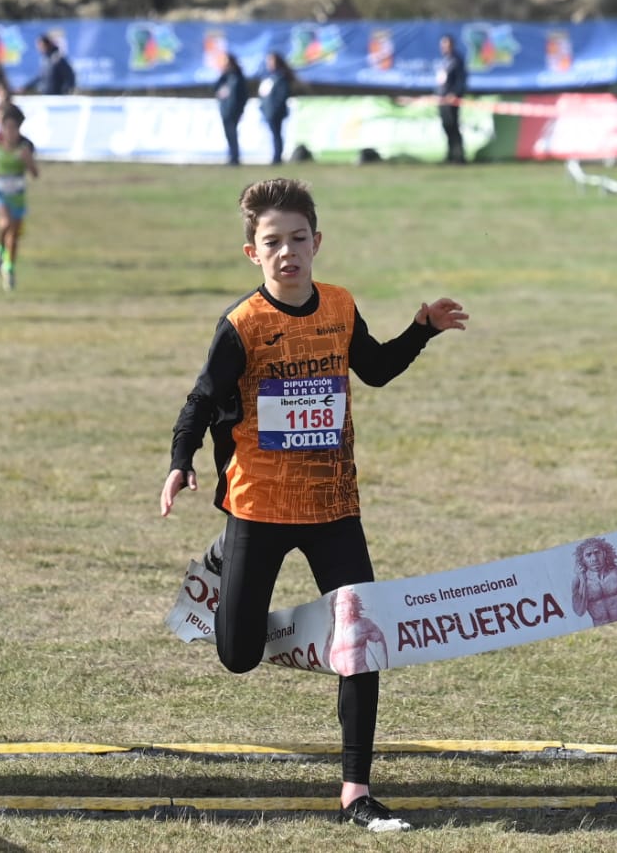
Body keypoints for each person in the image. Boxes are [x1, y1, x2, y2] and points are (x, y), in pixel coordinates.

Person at [159, 178, 468, 833]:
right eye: (272, 243)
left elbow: (376, 370)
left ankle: (355, 791)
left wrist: (421, 329)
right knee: (238, 655)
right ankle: (225, 565)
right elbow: (198, 402)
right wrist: (180, 464)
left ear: (317, 242)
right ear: (253, 253)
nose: (287, 253)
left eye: (298, 239)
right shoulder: (242, 326)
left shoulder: (339, 306)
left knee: (363, 639)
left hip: (333, 506)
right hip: (258, 506)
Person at [0, 102, 39, 291]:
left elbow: (35, 174)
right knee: (5, 222)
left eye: (13, 127)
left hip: (17, 193)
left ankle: (8, 266)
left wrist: (28, 162)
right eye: (5, 127)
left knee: (14, 234)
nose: (9, 131)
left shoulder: (25, 147)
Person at [435, 34, 467, 164]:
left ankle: (459, 156)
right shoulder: (444, 60)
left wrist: (454, 94)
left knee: (454, 127)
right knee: (447, 127)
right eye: (442, 44)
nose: (443, 47)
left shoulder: (456, 59)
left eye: (446, 44)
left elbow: (461, 80)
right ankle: (450, 155)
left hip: (451, 100)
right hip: (442, 99)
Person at [259, 53, 295, 164]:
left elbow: (283, 94)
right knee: (274, 134)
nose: (269, 64)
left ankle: (277, 157)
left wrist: (275, 107)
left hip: (276, 111)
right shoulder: (269, 77)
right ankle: (276, 156)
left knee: (277, 134)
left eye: (271, 61)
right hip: (268, 111)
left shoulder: (281, 77)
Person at [215, 54, 249, 165]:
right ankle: (231, 156)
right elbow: (215, 88)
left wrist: (240, 109)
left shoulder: (238, 77)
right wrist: (222, 74)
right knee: (228, 135)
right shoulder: (225, 78)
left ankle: (235, 157)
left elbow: (242, 95)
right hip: (225, 110)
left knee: (233, 134)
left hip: (233, 111)